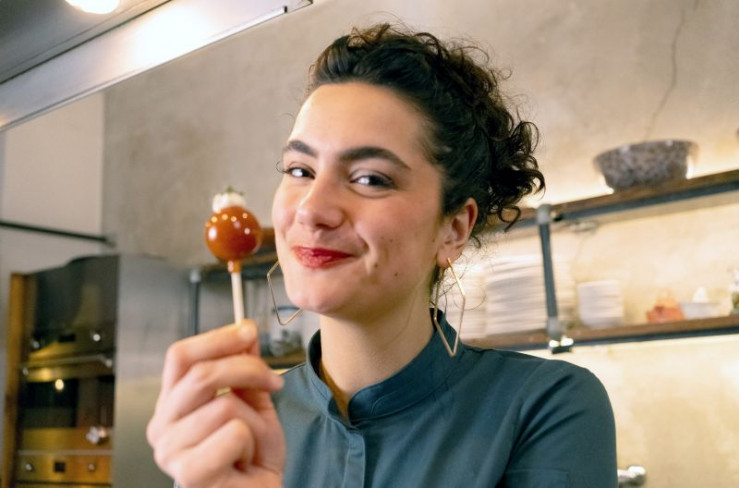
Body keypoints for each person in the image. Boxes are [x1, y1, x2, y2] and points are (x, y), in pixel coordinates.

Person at [147, 23, 617, 488]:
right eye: (300, 170)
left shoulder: (546, 406)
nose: (311, 209)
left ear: (453, 229)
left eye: (370, 178)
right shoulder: (240, 423)